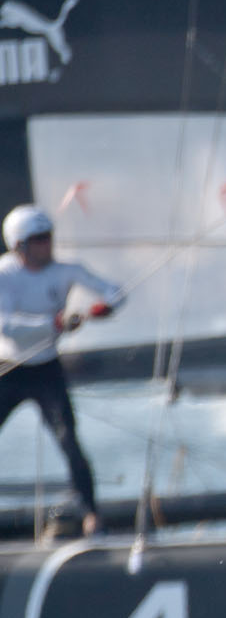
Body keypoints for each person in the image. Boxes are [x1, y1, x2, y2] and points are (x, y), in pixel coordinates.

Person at [0, 204, 123, 534]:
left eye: (49, 237)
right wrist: (53, 322)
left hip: (46, 371)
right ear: (19, 244)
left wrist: (104, 307)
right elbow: (5, 325)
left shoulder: (66, 270)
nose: (48, 244)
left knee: (69, 440)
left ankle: (91, 514)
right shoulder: (4, 275)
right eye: (39, 239)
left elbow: (116, 292)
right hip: (9, 369)